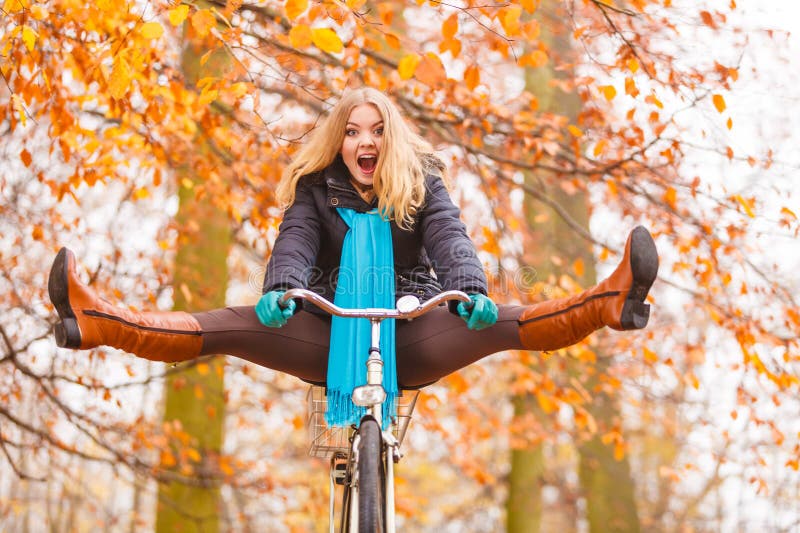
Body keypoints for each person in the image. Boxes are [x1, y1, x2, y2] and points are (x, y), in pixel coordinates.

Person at [48, 87, 658, 424]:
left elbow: (448, 233)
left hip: (409, 324)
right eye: (351, 130)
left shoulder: (422, 183)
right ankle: (96, 320)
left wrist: (470, 287)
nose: (364, 140)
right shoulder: (315, 190)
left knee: (507, 322)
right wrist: (282, 287)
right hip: (325, 323)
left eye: (376, 129)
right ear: (338, 139)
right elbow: (296, 240)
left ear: (390, 137)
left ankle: (613, 300)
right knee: (223, 325)